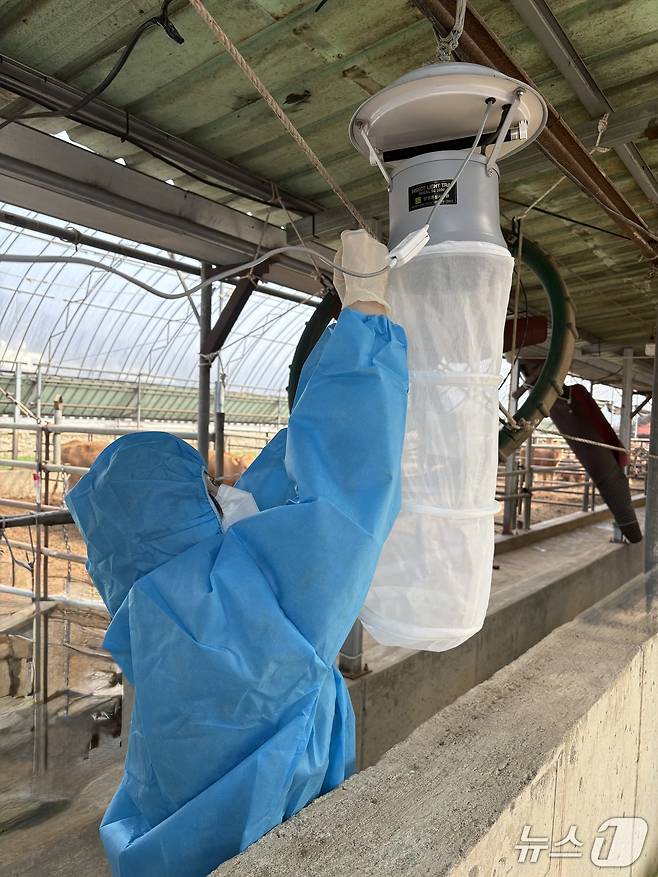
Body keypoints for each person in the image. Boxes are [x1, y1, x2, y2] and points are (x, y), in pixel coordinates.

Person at [67, 231, 409, 877]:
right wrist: (367, 320)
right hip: (273, 841)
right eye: (204, 487)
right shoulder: (251, 611)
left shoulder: (150, 604)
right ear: (178, 515)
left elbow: (272, 481)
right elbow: (345, 497)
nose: (224, 489)